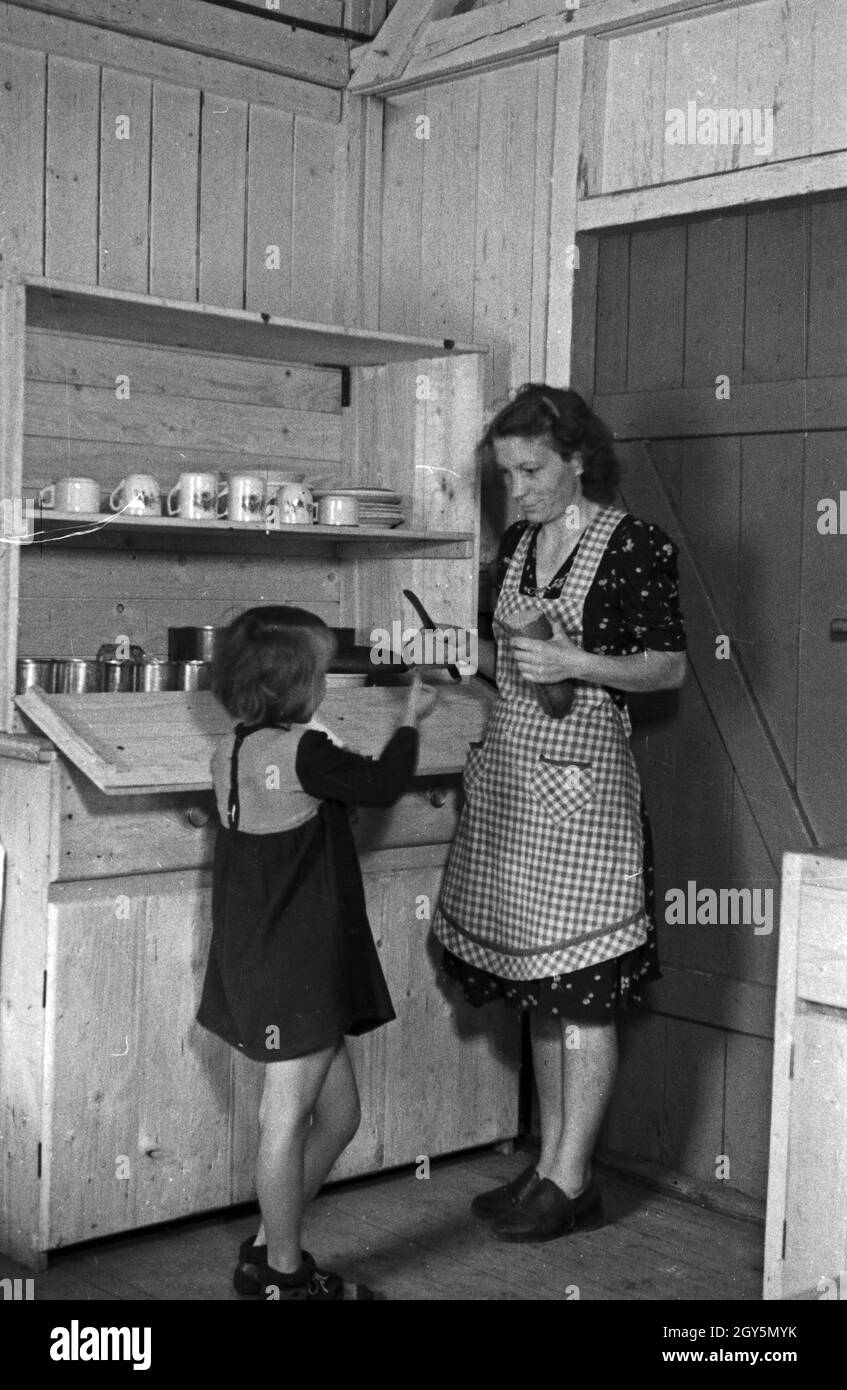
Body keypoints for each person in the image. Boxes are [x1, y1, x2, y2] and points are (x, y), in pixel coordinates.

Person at [432, 384, 687, 1243]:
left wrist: (575, 658)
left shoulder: (633, 544)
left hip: (582, 790)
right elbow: (501, 662)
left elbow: (667, 669)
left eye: (532, 469)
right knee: (539, 987)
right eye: (506, 474)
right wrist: (441, 657)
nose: (520, 488)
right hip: (510, 782)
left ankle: (573, 1179)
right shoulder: (516, 545)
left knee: (580, 993)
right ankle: (546, 1166)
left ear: (579, 457)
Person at [197, 606, 426, 1299]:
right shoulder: (302, 751)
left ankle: (270, 1243)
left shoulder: (234, 749)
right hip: (297, 964)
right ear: (294, 688)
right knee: (286, 1117)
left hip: (265, 959)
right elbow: (380, 785)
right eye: (321, 672)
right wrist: (411, 718)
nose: (326, 682)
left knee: (340, 1116)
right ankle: (285, 1277)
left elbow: (302, 819)